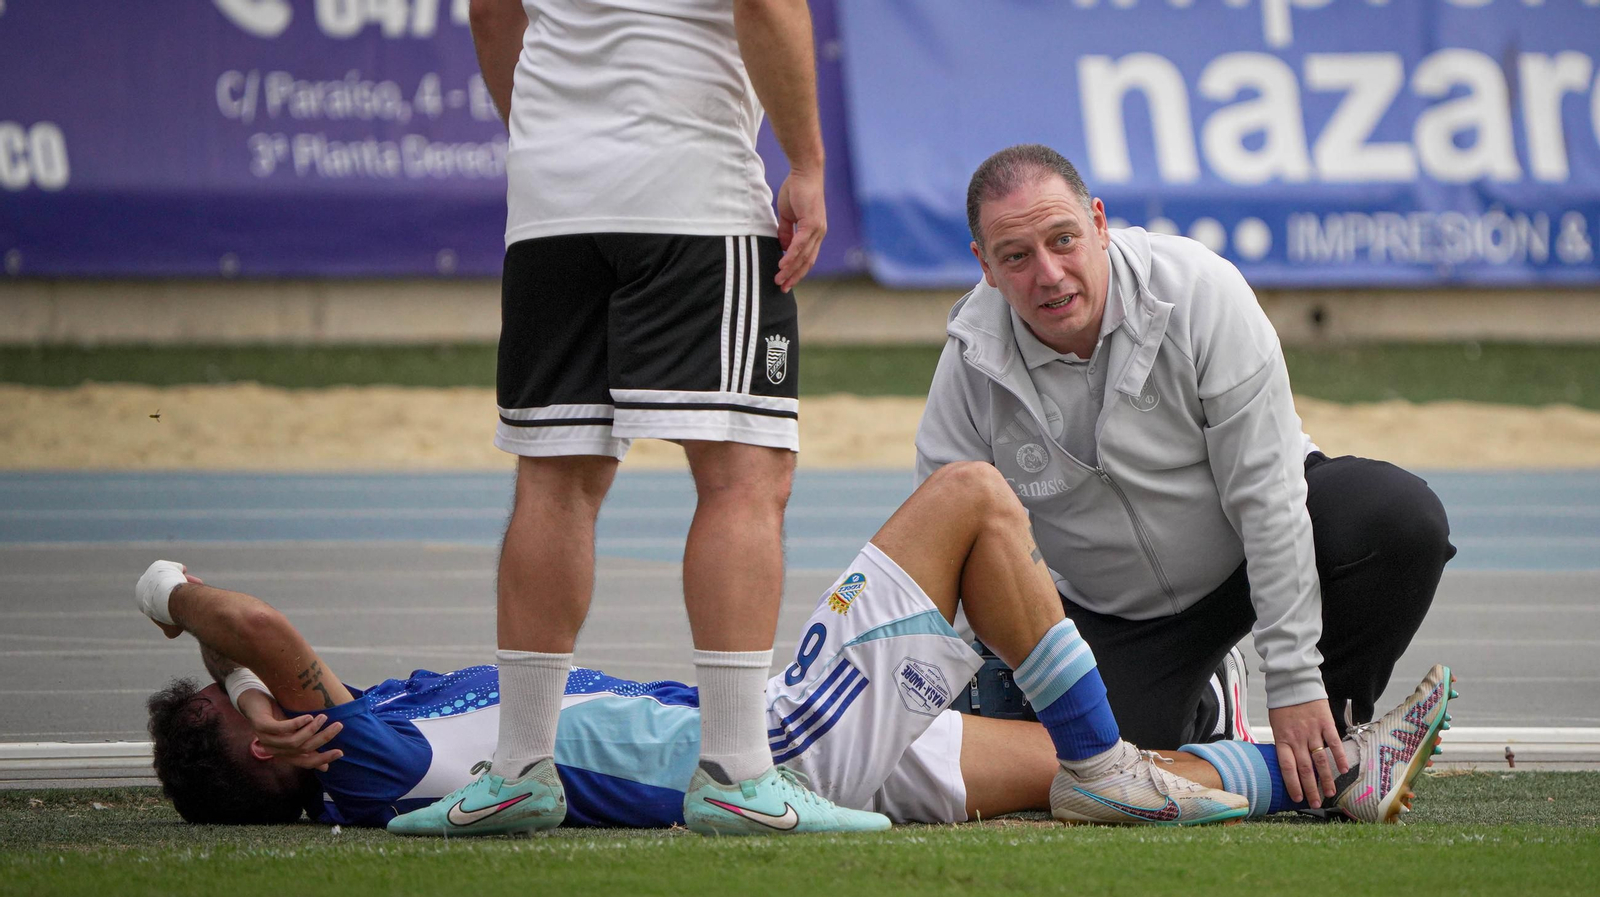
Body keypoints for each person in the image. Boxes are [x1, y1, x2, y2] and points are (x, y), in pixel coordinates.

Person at [137, 464, 1454, 831]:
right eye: (245, 715)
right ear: (264, 746)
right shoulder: (358, 759)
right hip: (779, 741)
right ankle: (1124, 745)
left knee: (1078, 771)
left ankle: (1315, 781)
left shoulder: (369, 749)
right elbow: (246, 626)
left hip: (825, 765)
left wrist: (229, 688)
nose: (257, 693)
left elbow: (243, 666)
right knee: (971, 498)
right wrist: (167, 595)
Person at [915, 144, 1458, 813]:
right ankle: (1253, 728)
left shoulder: (1200, 290)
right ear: (985, 267)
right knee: (1098, 772)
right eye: (1016, 256)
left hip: (1241, 547)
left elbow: (1267, 494)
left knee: (1398, 520)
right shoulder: (970, 362)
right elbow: (947, 544)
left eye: (1063, 240)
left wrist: (1294, 679)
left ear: (1099, 222)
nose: (1049, 274)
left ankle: (1337, 737)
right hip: (1112, 613)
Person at [446, 0, 835, 834]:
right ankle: (736, 770)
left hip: (553, 201)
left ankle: (518, 768)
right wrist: (805, 160)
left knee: (554, 478)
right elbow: (766, 5)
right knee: (743, 472)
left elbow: (489, 12)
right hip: (689, 188)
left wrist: (555, 140)